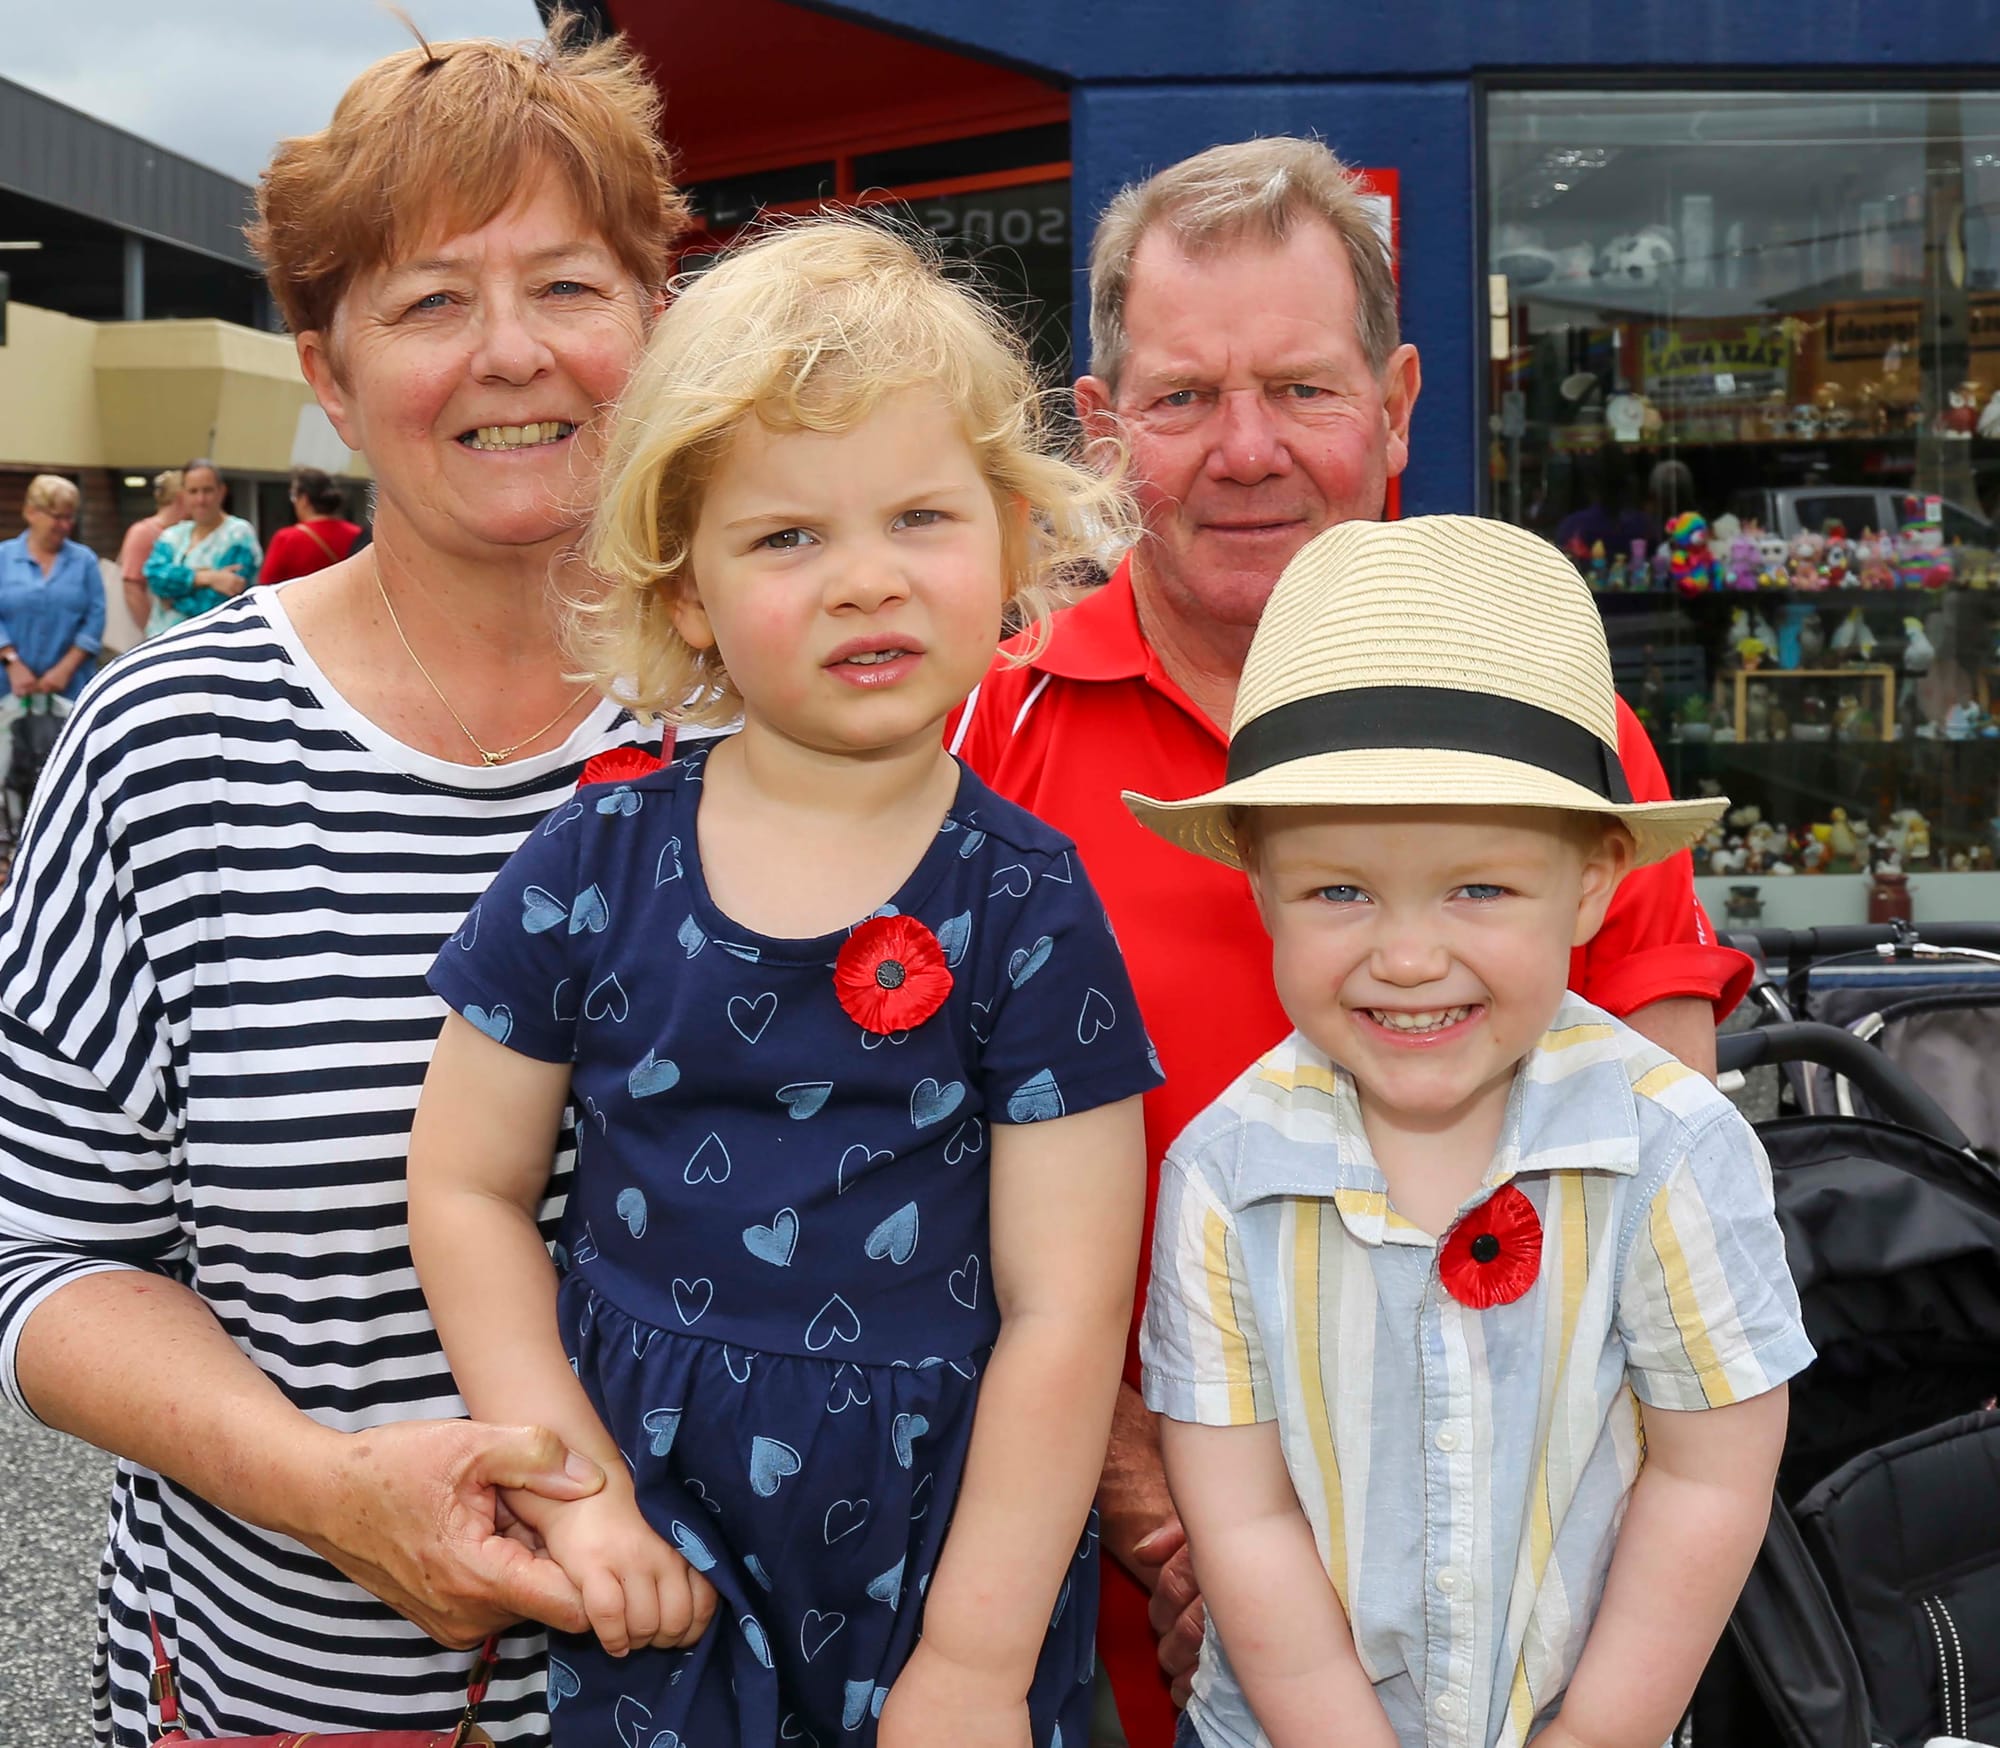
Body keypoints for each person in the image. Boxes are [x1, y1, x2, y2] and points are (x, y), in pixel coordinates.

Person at [947, 138, 1753, 1743]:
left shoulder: (1559, 747)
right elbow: (922, 1192)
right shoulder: (990, 733)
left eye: (1303, 391)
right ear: (1101, 428)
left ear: (1395, 404)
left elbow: (1664, 1224)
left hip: (1534, 1649)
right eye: (1184, 398)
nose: (1246, 451)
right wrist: (1186, 1532)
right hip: (1083, 1624)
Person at [0, 24, 688, 1743]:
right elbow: (49, 1254)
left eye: (568, 285)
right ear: (327, 369)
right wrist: (327, 1490)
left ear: (655, 316)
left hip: (749, 1683)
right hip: (295, 1689)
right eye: (431, 300)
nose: (513, 350)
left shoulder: (785, 718)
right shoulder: (167, 749)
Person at [407, 218, 1158, 1748]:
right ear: (685, 591)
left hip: (946, 1553)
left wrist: (978, 1656)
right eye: (786, 538)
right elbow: (465, 1186)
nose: (864, 582)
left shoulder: (1027, 901)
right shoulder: (592, 864)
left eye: (920, 518)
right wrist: (575, 1491)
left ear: (1013, 545)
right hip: (654, 1545)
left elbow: (1067, 1308)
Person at [1131, 516, 1810, 1748]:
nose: (1405, 955)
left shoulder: (1670, 1149)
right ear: (1258, 879)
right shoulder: (1223, 1174)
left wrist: (1592, 1733)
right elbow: (1242, 1515)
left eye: (1478, 888)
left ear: (1592, 880)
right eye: (1338, 889)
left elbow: (1708, 1473)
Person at [0, 474, 107, 790]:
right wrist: (11, 661)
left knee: (67, 774)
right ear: (31, 512)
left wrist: (65, 668)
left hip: (69, 686)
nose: (64, 525)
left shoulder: (84, 561)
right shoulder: (4, 557)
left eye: (69, 517)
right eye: (57, 517)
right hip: (9, 686)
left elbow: (95, 617)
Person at [141, 457, 261, 635]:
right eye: (193, 491)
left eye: (207, 490)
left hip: (214, 641)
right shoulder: (173, 536)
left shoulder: (238, 535)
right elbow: (154, 575)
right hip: (162, 641)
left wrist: (171, 600)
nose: (201, 499)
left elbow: (219, 600)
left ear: (222, 491)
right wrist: (205, 577)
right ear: (183, 495)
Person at [258, 466, 363, 584]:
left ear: (304, 500)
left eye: (294, 497)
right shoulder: (358, 535)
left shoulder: (286, 539)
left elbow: (267, 584)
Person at [115, 469, 183, 635]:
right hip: (154, 630)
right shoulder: (143, 532)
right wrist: (154, 634)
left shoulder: (185, 532)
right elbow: (132, 588)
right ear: (181, 497)